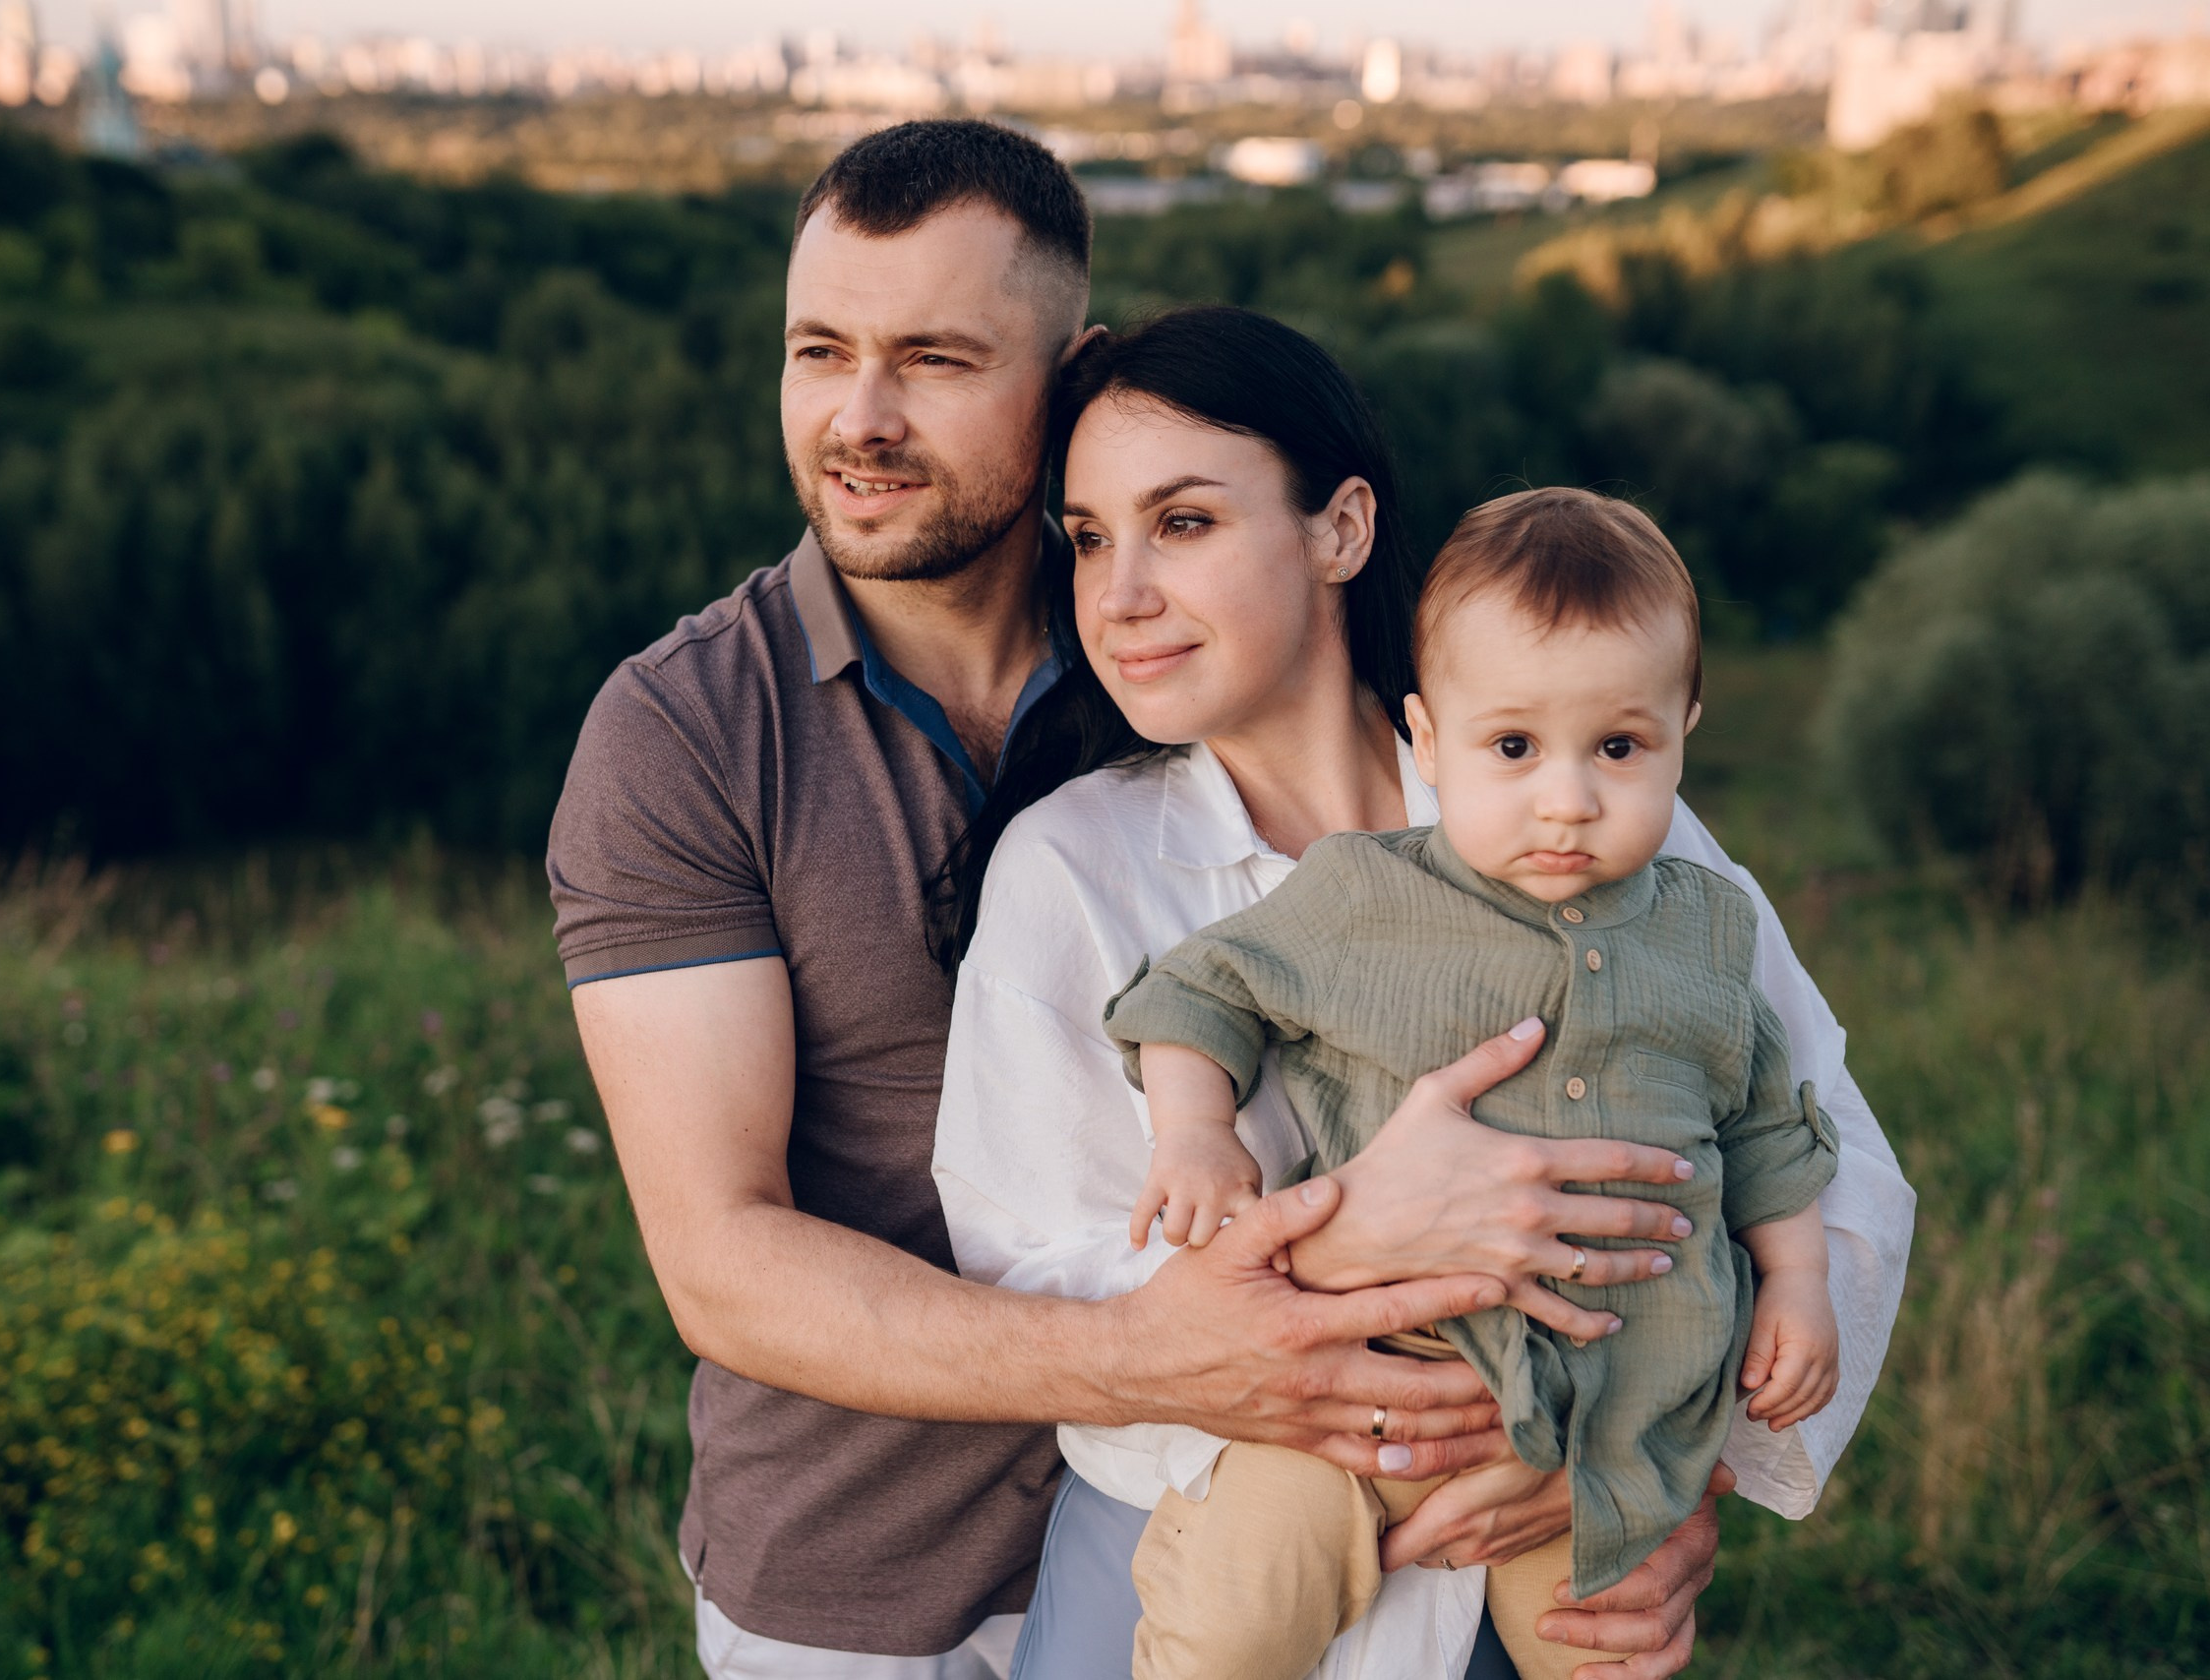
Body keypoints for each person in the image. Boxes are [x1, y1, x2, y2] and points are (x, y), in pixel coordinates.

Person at [551, 121, 1846, 1680]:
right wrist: (1354, 1251)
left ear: (1065, 373)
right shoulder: (700, 734)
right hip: (889, 1560)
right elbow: (724, 1260)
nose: (862, 415)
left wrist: (1652, 1460)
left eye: (937, 357)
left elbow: (1804, 1131)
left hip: (1365, 1538)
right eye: (818, 349)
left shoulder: (1515, 786)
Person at [930, 309, 1916, 1680]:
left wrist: (1664, 1468)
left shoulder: (1582, 808)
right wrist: (1347, 1243)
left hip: (1518, 1578)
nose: (1122, 591)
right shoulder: (1072, 867)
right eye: (1090, 537)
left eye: (1187, 523)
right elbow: (1033, 1268)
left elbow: (1828, 1160)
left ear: (1342, 528)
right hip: (1199, 1566)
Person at [1103, 485, 1845, 1680]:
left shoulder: (1707, 929)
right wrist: (1194, 1130)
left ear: (1682, 728)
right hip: (1364, 1393)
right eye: (1513, 747)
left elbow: (1765, 1120)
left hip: (1601, 1430)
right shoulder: (1365, 895)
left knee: (1605, 1654)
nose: (1567, 798)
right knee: (1233, 1631)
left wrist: (1798, 1282)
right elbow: (1201, 988)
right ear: (1429, 739)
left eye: (1618, 747)